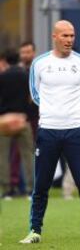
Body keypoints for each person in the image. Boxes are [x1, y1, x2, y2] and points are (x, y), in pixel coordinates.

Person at [19, 20, 80, 244]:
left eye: (72, 36)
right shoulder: (39, 64)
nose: (69, 40)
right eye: (65, 36)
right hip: (47, 131)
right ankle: (35, 231)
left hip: (75, 131)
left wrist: (71, 114)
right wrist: (52, 113)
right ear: (54, 37)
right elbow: (35, 94)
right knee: (41, 185)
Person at [0, 49, 34, 200]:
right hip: (22, 119)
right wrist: (26, 114)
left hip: (5, 119)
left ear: (5, 61)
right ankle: (30, 190)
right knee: (28, 155)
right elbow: (31, 98)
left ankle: (7, 190)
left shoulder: (2, 77)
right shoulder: (26, 76)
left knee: (3, 156)